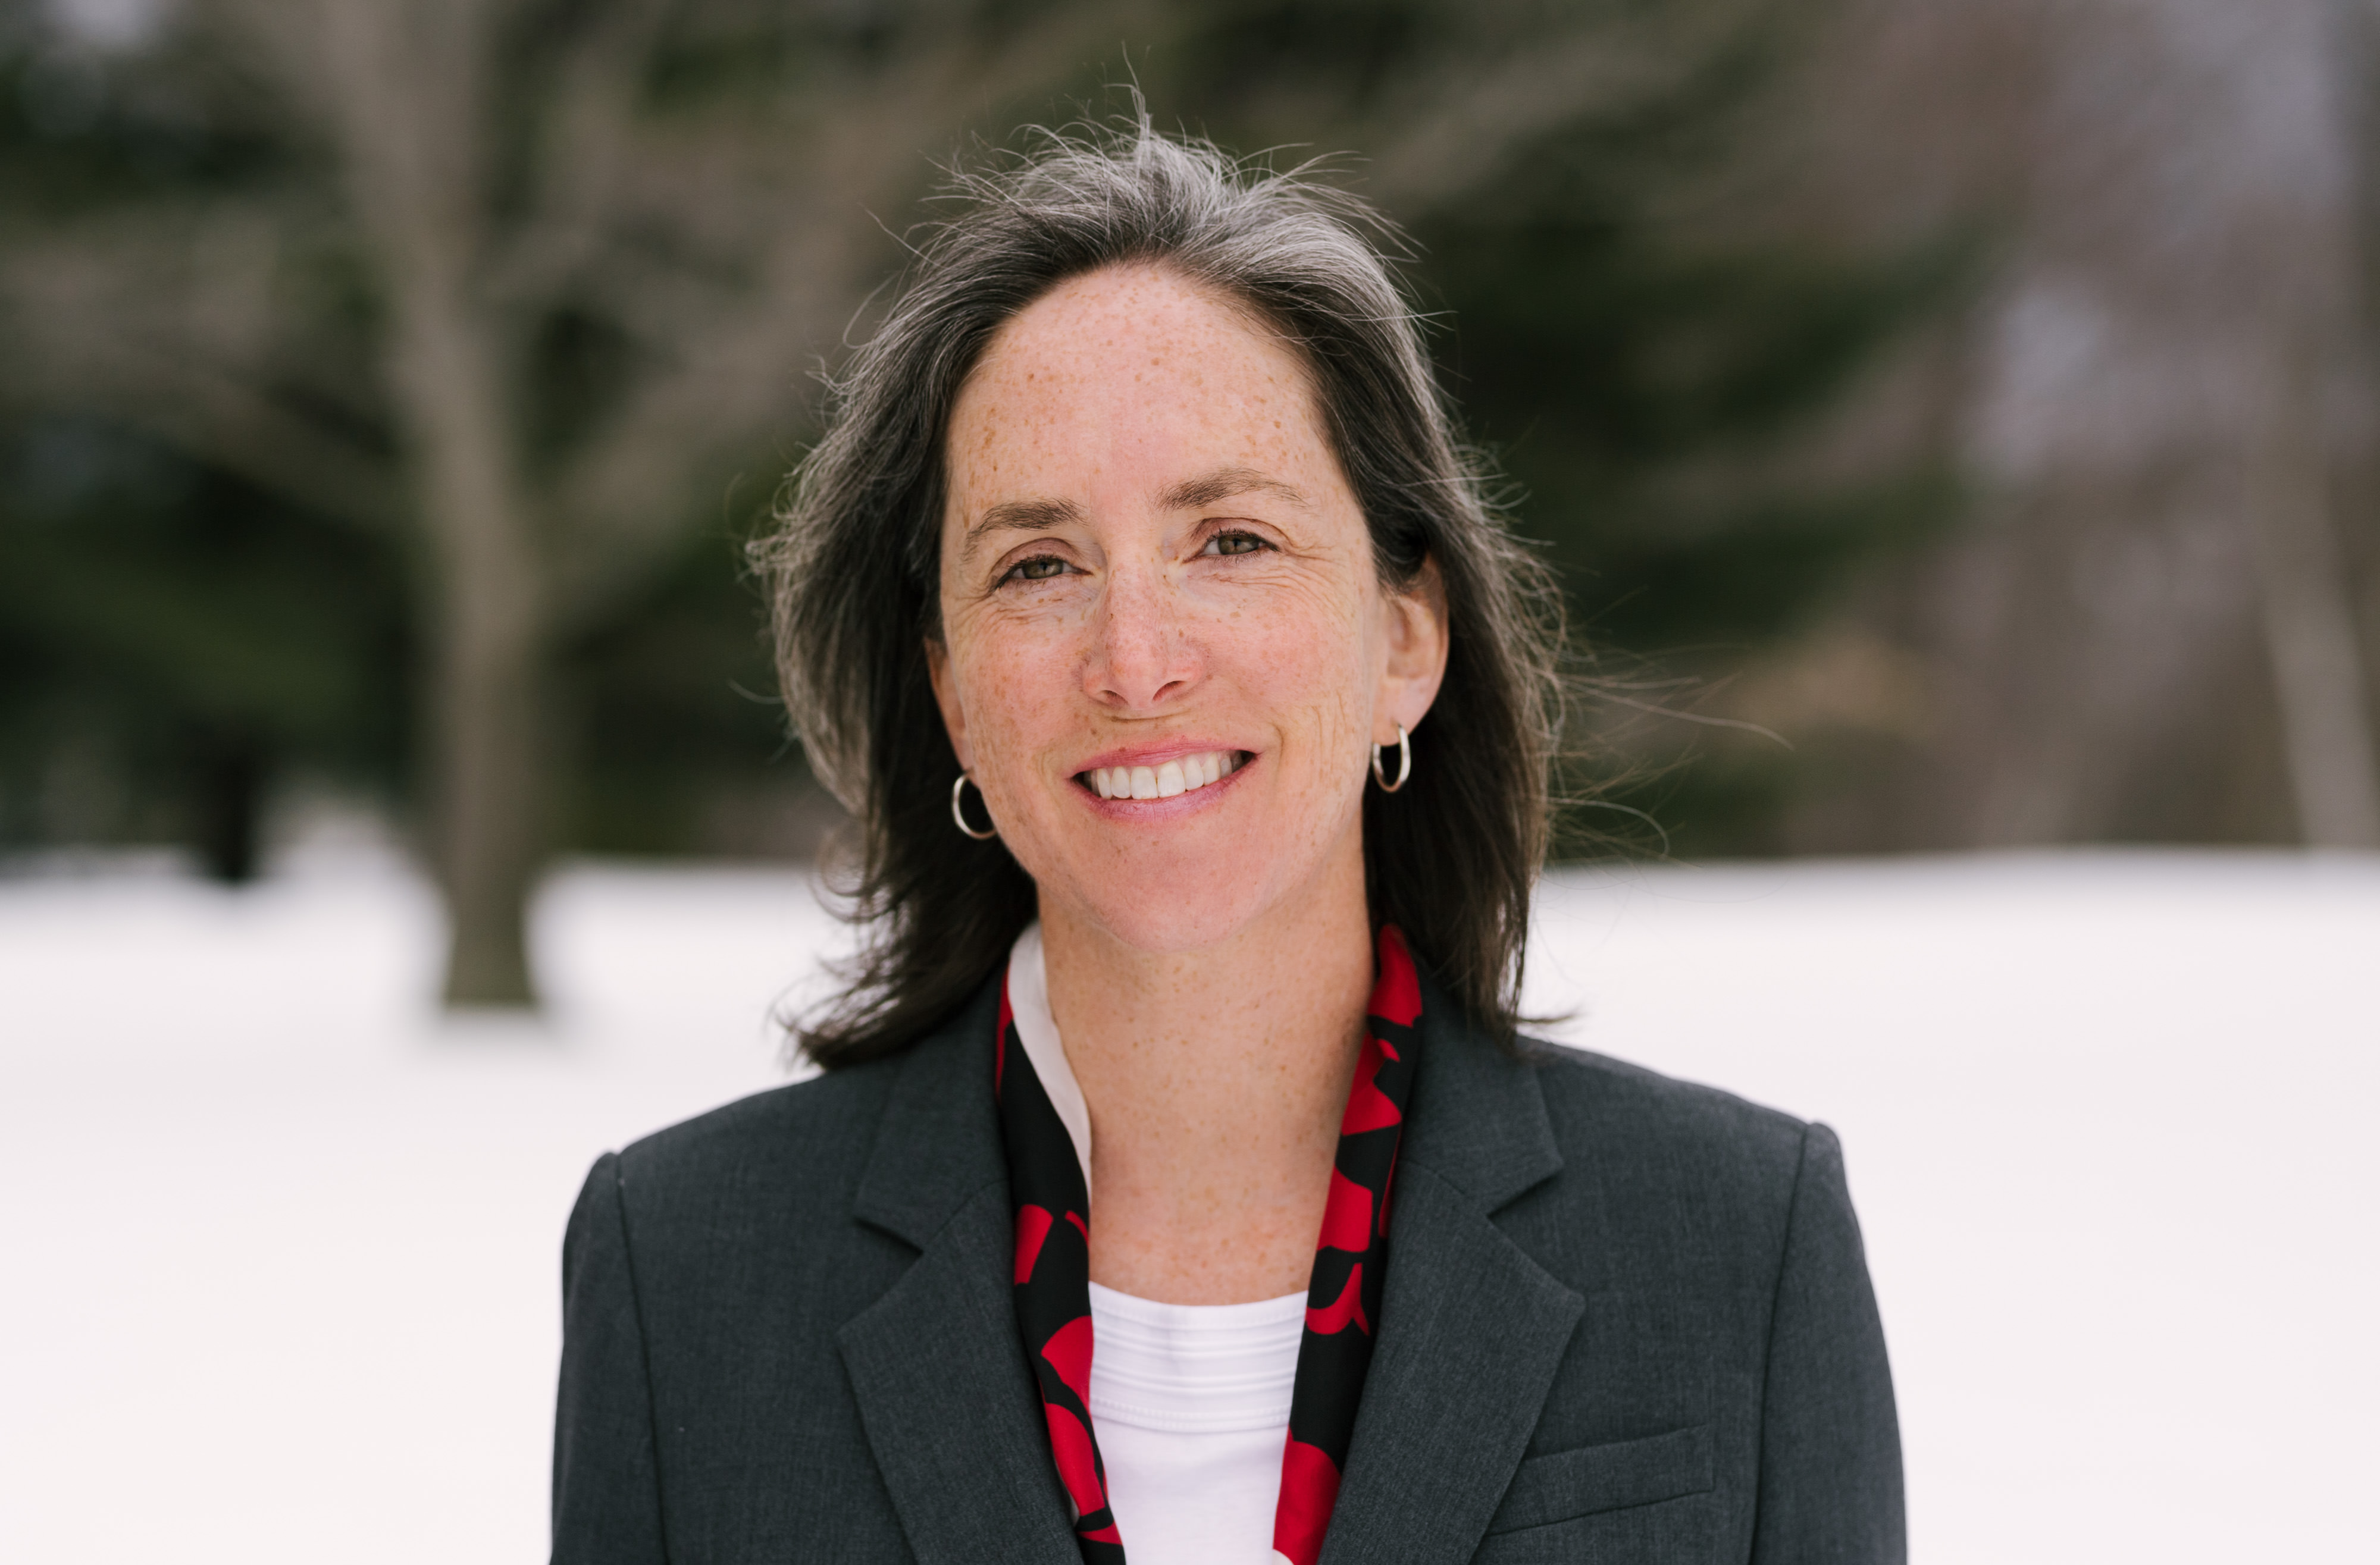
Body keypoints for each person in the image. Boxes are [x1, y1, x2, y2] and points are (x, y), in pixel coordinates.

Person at [550, 124, 1902, 1565]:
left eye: (1231, 540)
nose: (1133, 660)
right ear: (948, 688)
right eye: (1038, 565)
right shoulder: (683, 1269)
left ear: (1404, 636)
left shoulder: (1737, 1245)